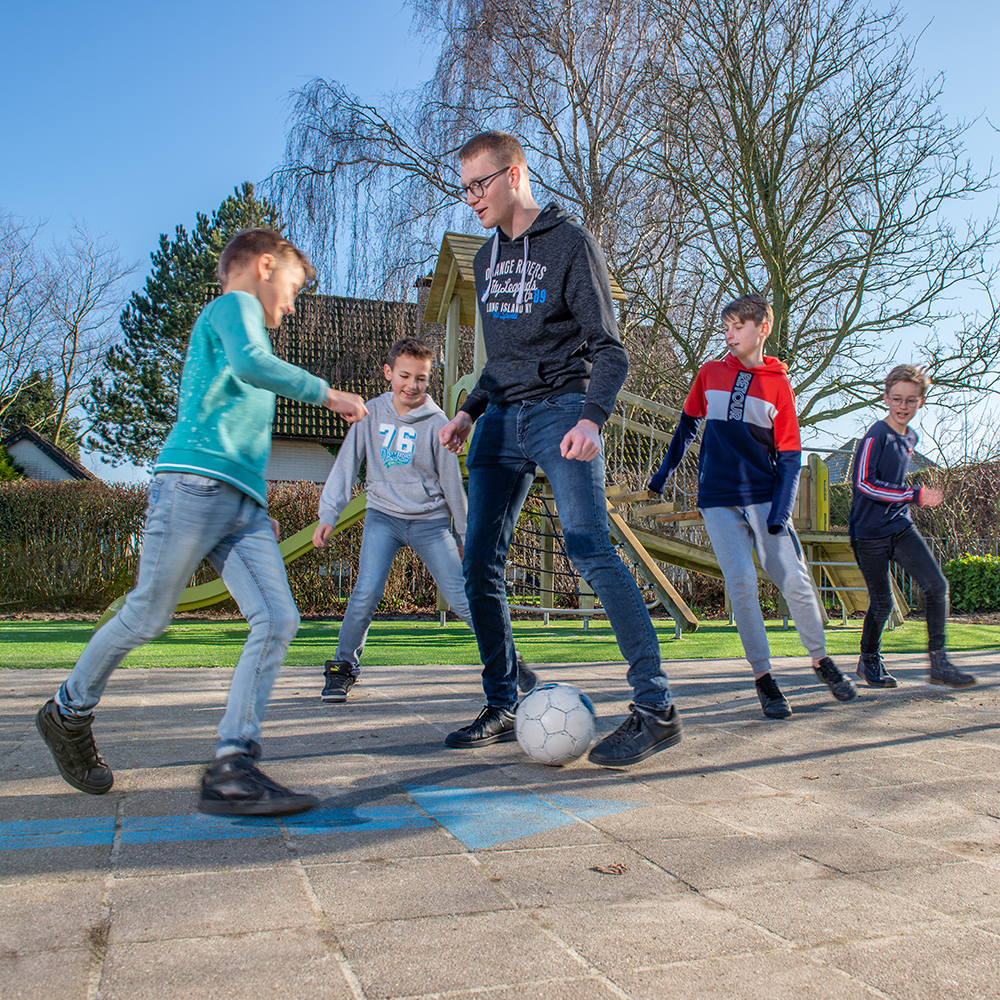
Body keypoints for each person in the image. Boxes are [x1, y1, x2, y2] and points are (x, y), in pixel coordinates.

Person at [35, 228, 368, 816]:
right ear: (264, 267)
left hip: (242, 502)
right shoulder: (234, 306)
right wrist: (327, 393)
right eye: (291, 289)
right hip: (192, 484)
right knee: (148, 614)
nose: (290, 307)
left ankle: (232, 766)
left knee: (277, 617)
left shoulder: (244, 318)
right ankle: (67, 710)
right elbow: (251, 363)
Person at [438, 130, 681, 767]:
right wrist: (468, 411)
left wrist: (592, 418)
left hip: (560, 413)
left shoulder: (571, 244)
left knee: (587, 545)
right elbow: (500, 362)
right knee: (478, 564)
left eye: (479, 184)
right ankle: (502, 701)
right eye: (463, 188)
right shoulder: (486, 259)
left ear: (514, 176)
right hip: (499, 422)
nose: (470, 199)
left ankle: (655, 708)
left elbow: (610, 348)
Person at [648, 292, 857, 719]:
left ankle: (820, 660)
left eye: (737, 327)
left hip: (764, 497)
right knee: (741, 582)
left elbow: (791, 455)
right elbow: (687, 426)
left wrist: (781, 511)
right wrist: (663, 472)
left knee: (793, 579)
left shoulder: (779, 385)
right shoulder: (709, 374)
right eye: (725, 327)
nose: (728, 335)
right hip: (718, 498)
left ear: (762, 329)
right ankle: (764, 679)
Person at [313, 337, 537, 701]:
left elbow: (452, 485)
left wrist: (467, 537)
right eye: (404, 376)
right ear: (388, 373)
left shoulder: (437, 423)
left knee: (464, 598)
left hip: (430, 522)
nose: (412, 385)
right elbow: (346, 464)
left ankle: (510, 660)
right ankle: (342, 668)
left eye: (421, 378)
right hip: (383, 517)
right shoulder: (369, 414)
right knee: (366, 592)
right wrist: (329, 513)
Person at [849, 364, 975, 688]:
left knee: (936, 586)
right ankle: (869, 659)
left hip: (900, 527)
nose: (903, 406)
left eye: (910, 400)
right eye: (897, 399)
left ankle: (940, 663)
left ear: (921, 402)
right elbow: (864, 483)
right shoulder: (875, 435)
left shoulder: (911, 437)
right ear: (886, 398)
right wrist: (914, 494)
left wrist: (909, 498)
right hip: (869, 533)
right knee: (883, 603)